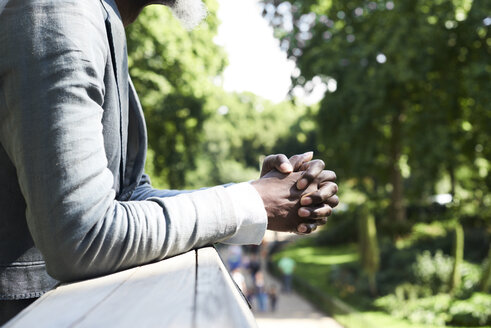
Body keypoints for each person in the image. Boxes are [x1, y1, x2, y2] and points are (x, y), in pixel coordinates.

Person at [0, 0, 339, 323]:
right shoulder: (60, 15)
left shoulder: (96, 17)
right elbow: (82, 236)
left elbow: (128, 195)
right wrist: (252, 203)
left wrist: (259, 194)